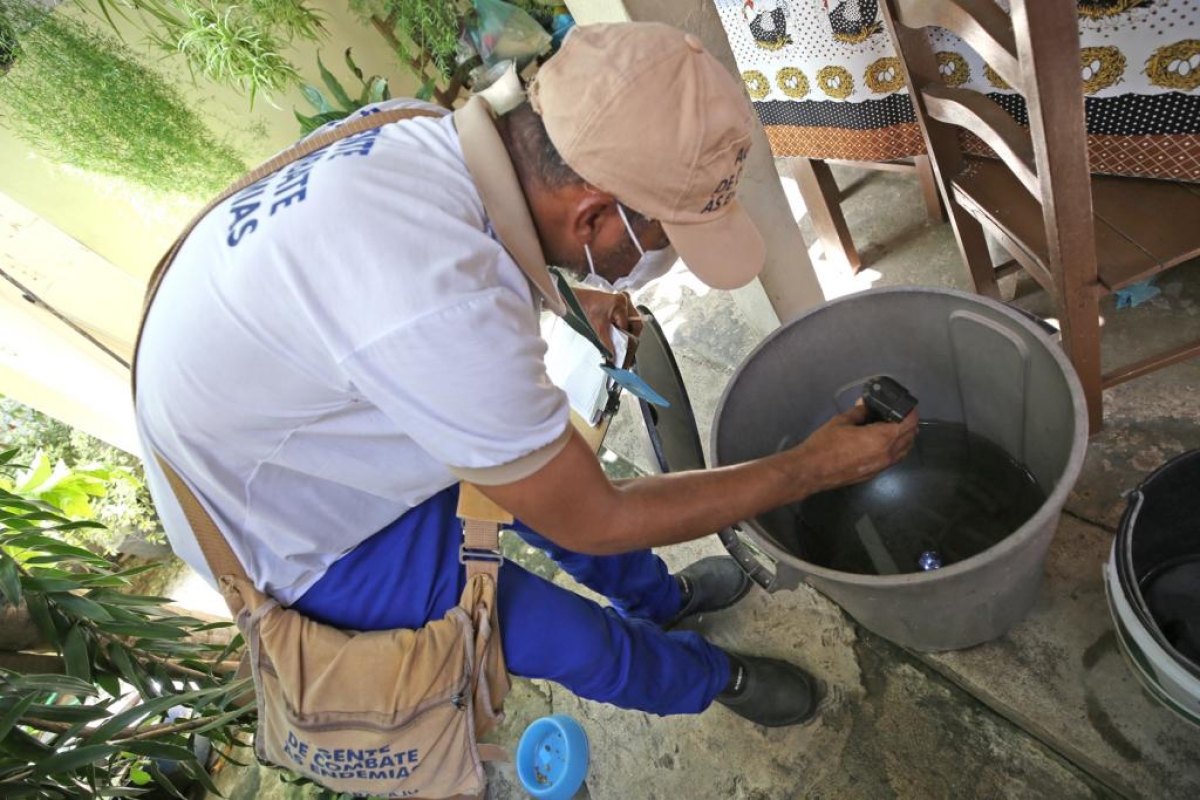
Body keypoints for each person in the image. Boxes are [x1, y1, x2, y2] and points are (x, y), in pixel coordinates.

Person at [134, 22, 917, 729]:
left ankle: (663, 600)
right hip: (297, 527)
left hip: (316, 411)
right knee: (561, 633)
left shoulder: (431, 141)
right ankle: (713, 678)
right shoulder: (436, 300)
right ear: (592, 217)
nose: (664, 262)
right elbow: (594, 516)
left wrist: (570, 293)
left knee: (552, 474)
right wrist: (810, 469)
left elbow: (444, 281)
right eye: (667, 237)